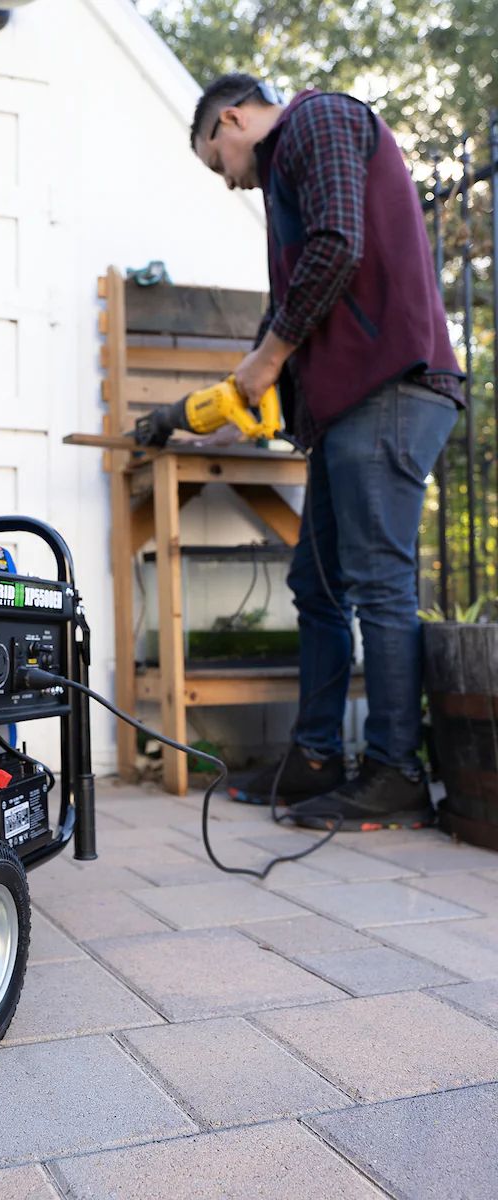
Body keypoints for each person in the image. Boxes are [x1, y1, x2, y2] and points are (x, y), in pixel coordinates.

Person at [190, 75, 464, 830]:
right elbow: (297, 301)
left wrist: (267, 361)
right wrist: (247, 386)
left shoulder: (317, 122)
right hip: (352, 407)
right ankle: (316, 760)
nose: (229, 180)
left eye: (219, 162)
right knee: (316, 585)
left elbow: (340, 244)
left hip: (394, 390)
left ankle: (395, 771)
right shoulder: (291, 170)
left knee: (378, 584)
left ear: (233, 120)